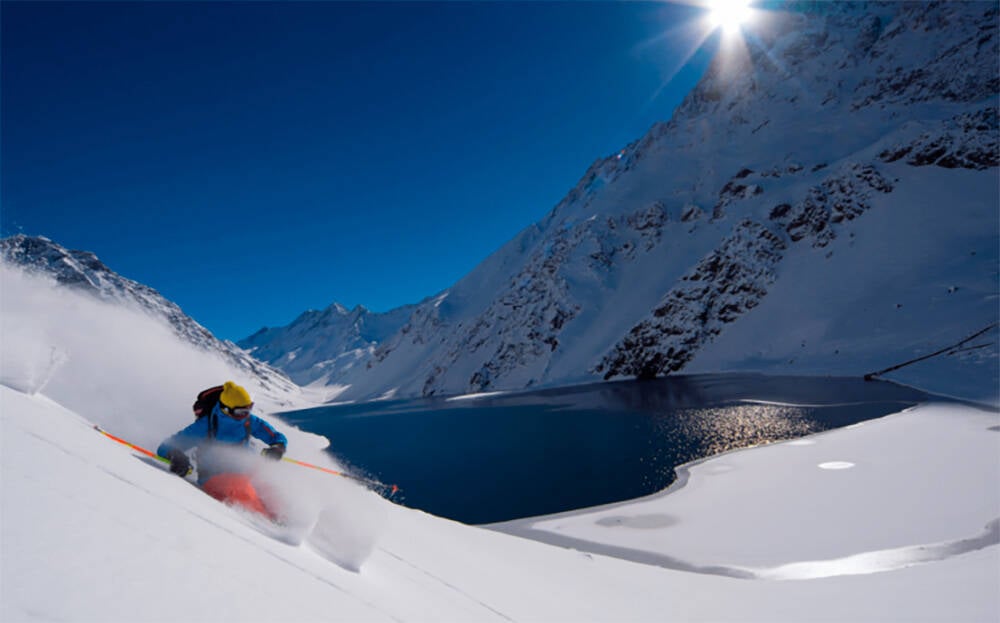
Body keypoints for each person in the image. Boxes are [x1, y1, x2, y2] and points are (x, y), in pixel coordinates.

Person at [157, 381, 288, 518]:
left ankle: (284, 520)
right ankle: (268, 525)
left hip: (245, 471)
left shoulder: (249, 420)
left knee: (271, 491)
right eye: (241, 411)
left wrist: (278, 447)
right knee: (240, 491)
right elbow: (165, 447)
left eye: (249, 408)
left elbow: (276, 436)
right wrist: (176, 456)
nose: (245, 414)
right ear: (226, 409)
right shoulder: (205, 425)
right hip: (214, 476)